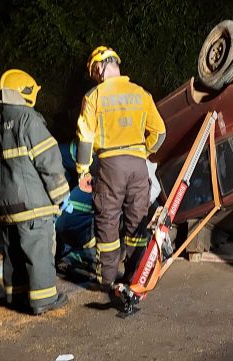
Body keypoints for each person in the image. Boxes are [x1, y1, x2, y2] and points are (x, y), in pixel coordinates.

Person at [75, 45, 166, 295]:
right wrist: (144, 152)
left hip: (109, 167)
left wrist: (83, 171)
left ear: (99, 67)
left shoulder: (94, 96)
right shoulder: (141, 93)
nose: (95, 77)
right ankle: (136, 276)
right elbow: (160, 132)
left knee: (108, 220)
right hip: (138, 167)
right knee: (137, 222)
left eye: (94, 72)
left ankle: (107, 280)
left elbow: (85, 137)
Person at [0, 69, 70, 315]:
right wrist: (61, 195)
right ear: (25, 92)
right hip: (32, 205)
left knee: (13, 252)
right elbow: (48, 160)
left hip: (5, 206)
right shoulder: (28, 119)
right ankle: (44, 299)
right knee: (38, 250)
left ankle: (15, 295)